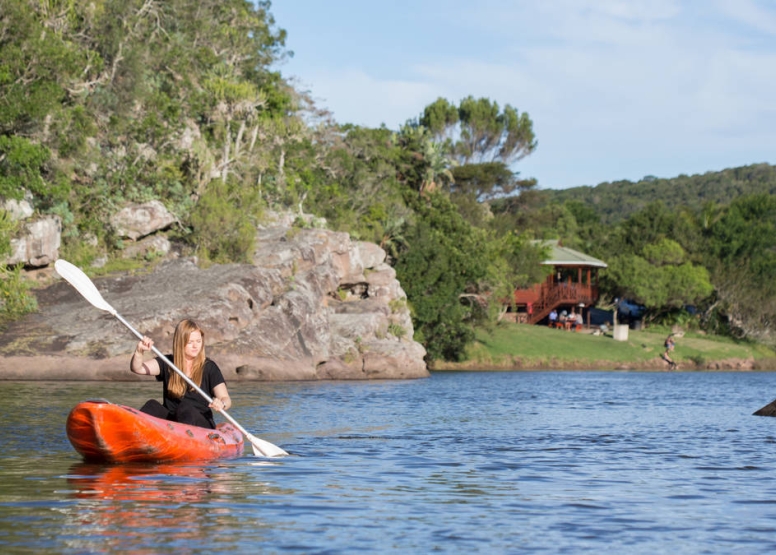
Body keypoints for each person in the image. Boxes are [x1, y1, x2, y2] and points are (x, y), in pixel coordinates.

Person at [130, 319, 231, 429]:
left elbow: (226, 398)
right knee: (152, 405)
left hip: (200, 424)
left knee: (185, 408)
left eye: (198, 341)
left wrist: (222, 404)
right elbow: (137, 368)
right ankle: (132, 430)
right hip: (172, 423)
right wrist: (139, 352)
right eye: (190, 342)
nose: (195, 346)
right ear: (180, 343)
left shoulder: (209, 367)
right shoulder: (168, 363)